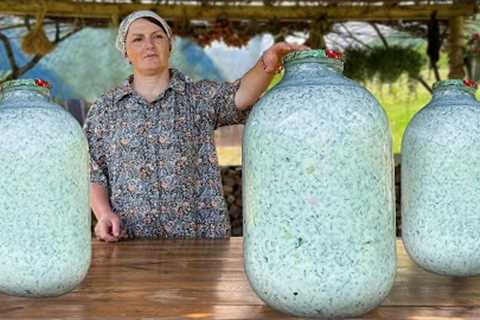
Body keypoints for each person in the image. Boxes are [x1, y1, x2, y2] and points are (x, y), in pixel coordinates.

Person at [84, 10, 308, 241]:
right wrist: (104, 214)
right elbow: (92, 170)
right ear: (125, 52)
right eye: (138, 39)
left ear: (169, 45)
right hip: (129, 244)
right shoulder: (106, 109)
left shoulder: (199, 98)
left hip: (197, 245)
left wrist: (268, 62)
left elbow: (241, 94)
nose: (149, 44)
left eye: (157, 37)